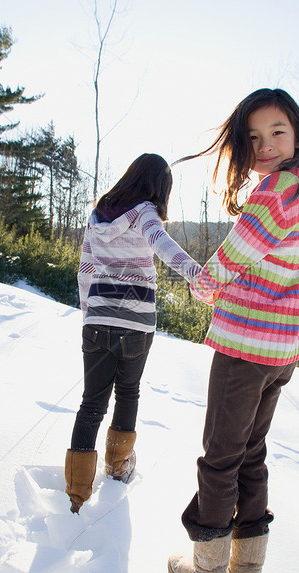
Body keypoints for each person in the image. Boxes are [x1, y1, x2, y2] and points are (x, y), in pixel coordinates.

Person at [168, 88, 299, 573]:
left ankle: (208, 566)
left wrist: (204, 285)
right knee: (250, 453)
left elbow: (235, 253)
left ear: (296, 134)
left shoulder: (275, 191)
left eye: (277, 131)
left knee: (219, 458)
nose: (265, 144)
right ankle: (246, 564)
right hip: (281, 351)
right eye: (254, 136)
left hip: (245, 349)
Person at [66, 153, 201, 514]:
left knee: (91, 402)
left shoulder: (97, 214)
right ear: (159, 186)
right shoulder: (145, 212)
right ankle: (117, 468)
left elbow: (85, 268)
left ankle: (77, 493)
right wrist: (196, 274)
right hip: (137, 323)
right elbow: (161, 243)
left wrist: (89, 312)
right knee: (128, 392)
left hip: (97, 320)